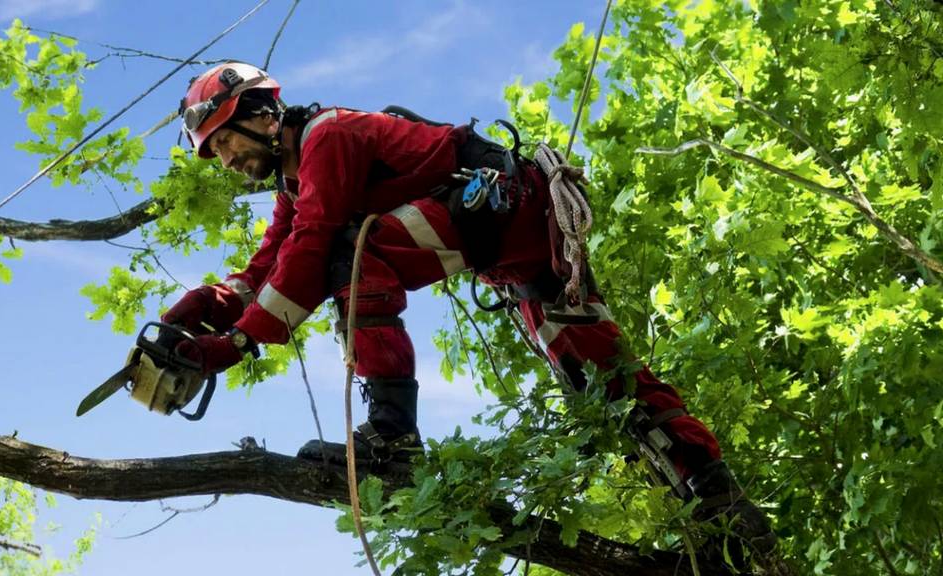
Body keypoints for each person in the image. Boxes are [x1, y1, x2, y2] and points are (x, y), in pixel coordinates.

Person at [162, 61, 779, 564]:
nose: (225, 162)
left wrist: (236, 346)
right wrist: (210, 304)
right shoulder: (295, 182)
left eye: (224, 143)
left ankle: (392, 435)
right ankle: (723, 519)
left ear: (261, 116)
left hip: (502, 212)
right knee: (602, 386)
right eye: (214, 154)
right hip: (514, 247)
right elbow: (273, 260)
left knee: (350, 253)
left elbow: (311, 248)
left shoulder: (329, 137)